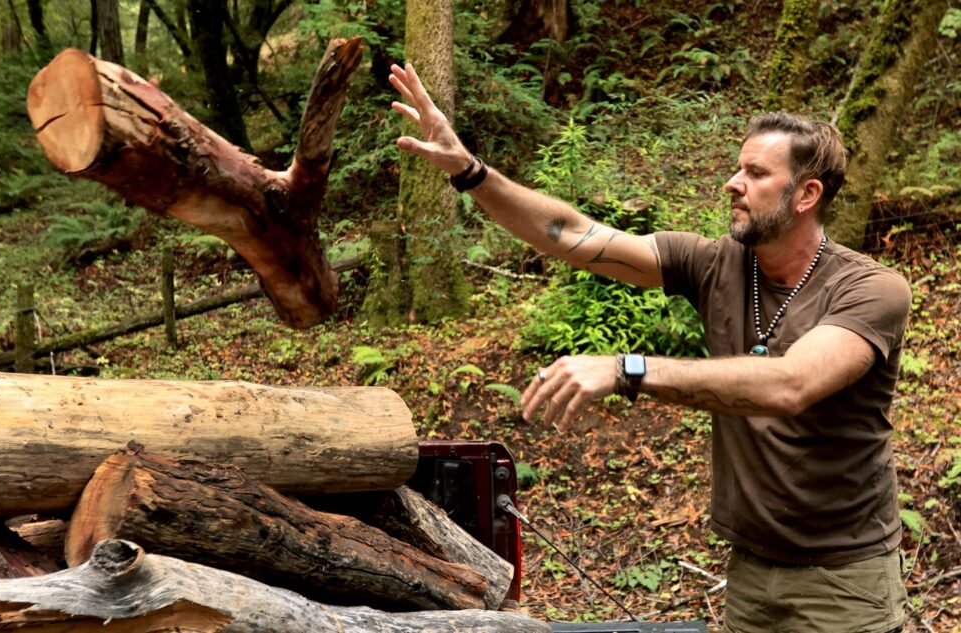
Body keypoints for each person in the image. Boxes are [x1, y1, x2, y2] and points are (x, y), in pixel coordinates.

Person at [389, 62, 911, 632]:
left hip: (845, 580)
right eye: (737, 168)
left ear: (807, 193)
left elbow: (792, 385)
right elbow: (571, 234)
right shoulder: (715, 263)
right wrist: (470, 170)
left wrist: (627, 369)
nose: (732, 183)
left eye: (755, 174)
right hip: (751, 571)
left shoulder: (871, 290)